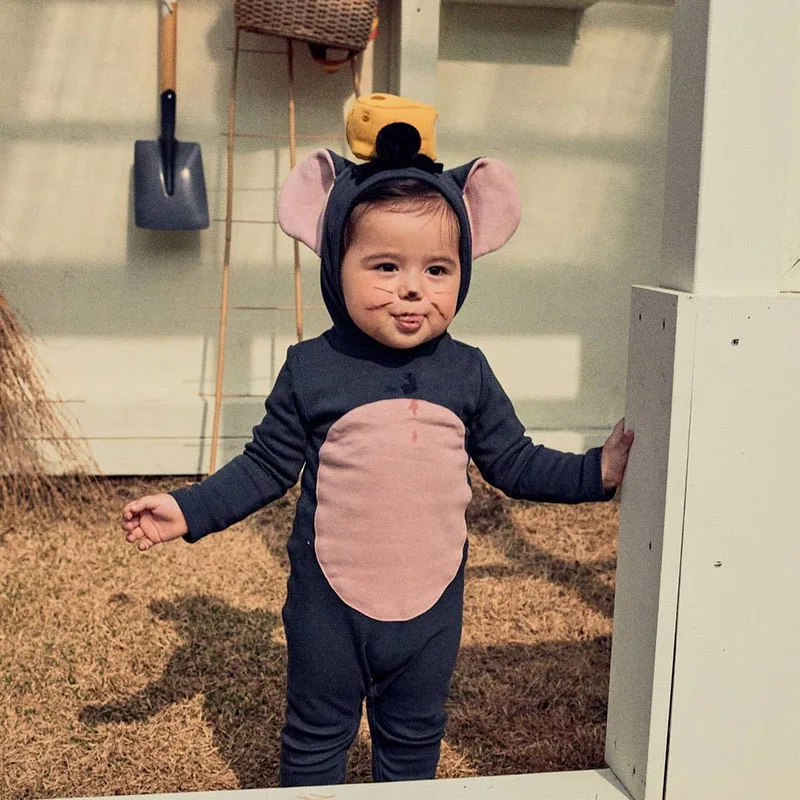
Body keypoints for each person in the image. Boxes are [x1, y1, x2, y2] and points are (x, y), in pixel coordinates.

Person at [122, 96, 634, 788]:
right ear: (335, 261)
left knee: (414, 734)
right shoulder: (312, 368)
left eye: (437, 270)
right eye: (385, 267)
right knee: (316, 735)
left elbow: (513, 460)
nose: (412, 291)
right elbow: (266, 465)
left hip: (431, 607)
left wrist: (595, 473)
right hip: (327, 607)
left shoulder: (467, 372)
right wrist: (189, 510)